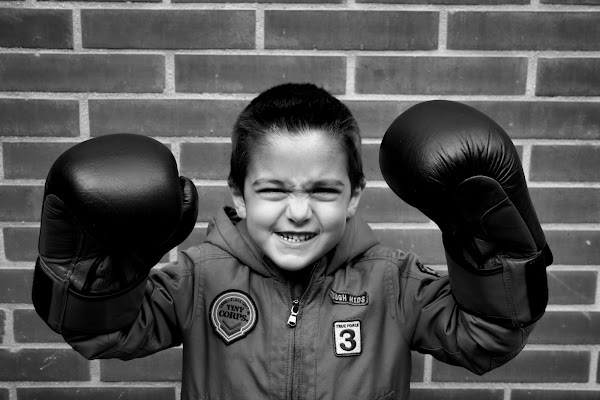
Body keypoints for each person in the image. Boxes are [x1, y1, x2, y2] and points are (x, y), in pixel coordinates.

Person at [32, 83, 552, 399]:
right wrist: (98, 276)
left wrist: (490, 249)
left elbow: (487, 338)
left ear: (353, 198)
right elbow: (105, 336)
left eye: (324, 190)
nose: (298, 212)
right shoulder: (199, 276)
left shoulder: (394, 281)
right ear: (238, 195)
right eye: (273, 189)